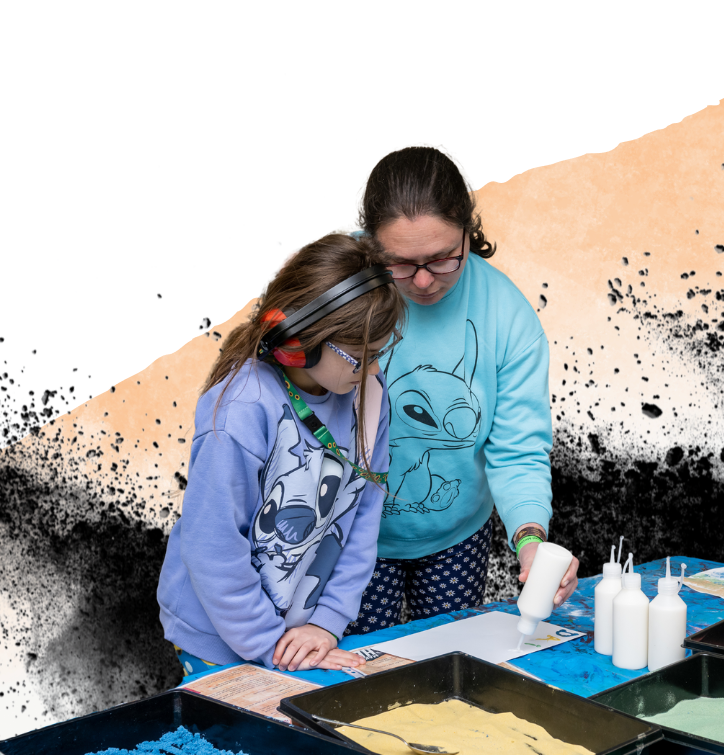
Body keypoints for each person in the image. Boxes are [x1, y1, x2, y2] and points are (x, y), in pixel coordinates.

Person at [343, 143, 579, 636]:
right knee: (352, 677)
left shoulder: (507, 315)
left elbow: (516, 450)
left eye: (444, 258)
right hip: (345, 537)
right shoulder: (334, 290)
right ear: (368, 244)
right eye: (400, 263)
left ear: (469, 231)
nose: (424, 281)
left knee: (444, 670)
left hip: (456, 536)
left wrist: (531, 541)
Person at [157, 231, 403, 676]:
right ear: (298, 343)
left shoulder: (369, 394)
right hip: (220, 637)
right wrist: (271, 646)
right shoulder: (243, 406)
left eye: (379, 353)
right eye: (357, 356)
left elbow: (364, 517)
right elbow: (211, 546)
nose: (372, 370)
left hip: (302, 639)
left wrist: (327, 624)